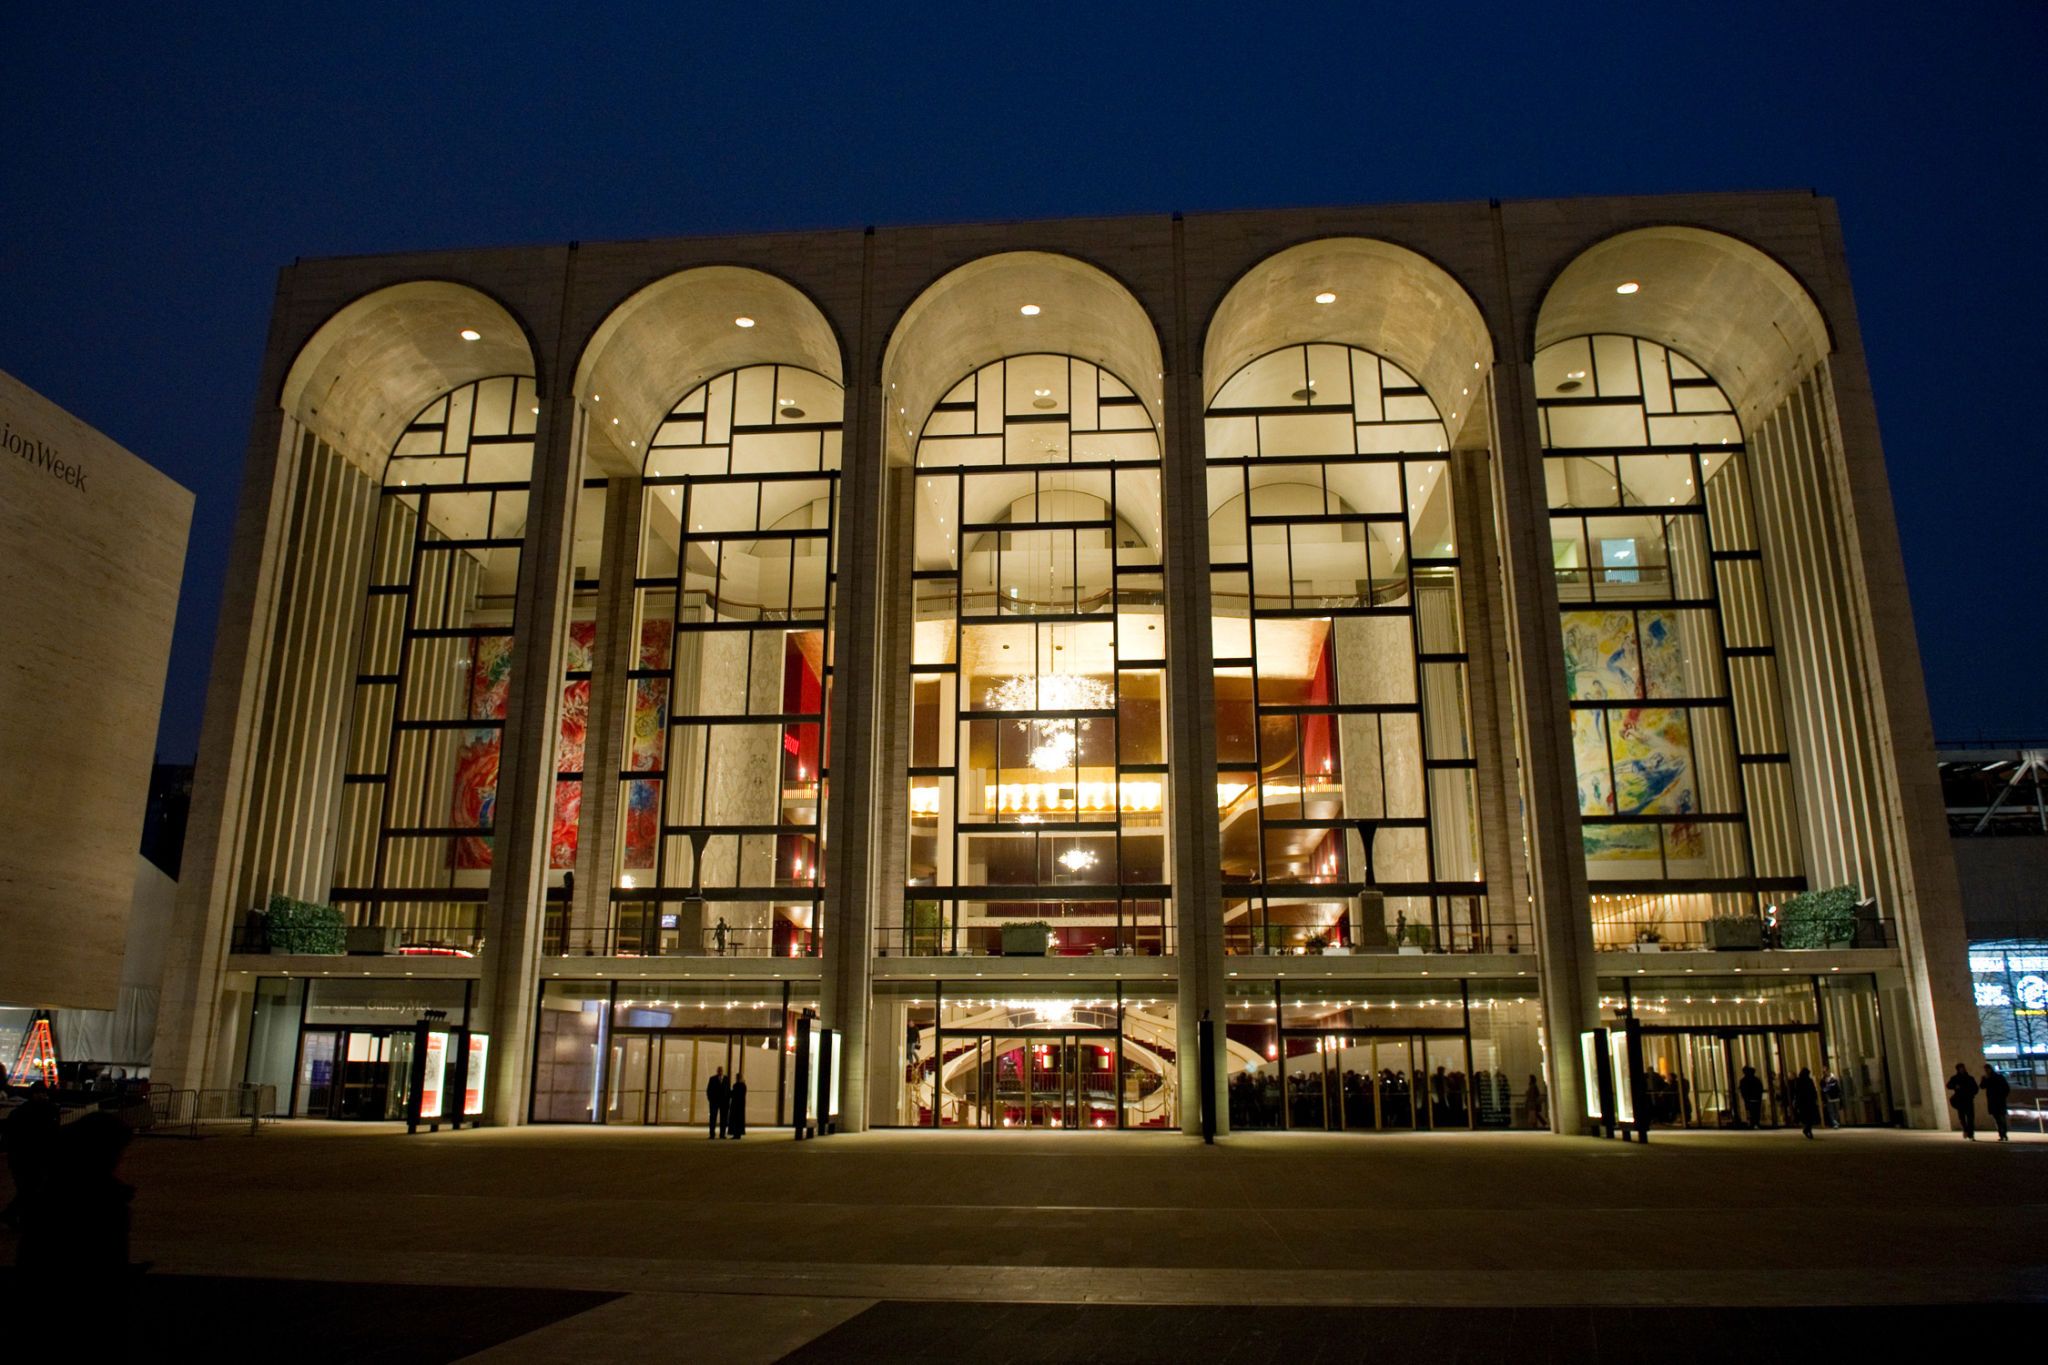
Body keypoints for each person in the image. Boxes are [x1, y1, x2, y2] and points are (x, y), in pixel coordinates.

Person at [2, 1082, 60, 1231]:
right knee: (29, 1189)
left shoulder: (21, 1112)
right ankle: (13, 1216)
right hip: (30, 1157)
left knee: (27, 1189)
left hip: (24, 1157)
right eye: (40, 1093)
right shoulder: (49, 1111)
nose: (43, 1096)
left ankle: (13, 1216)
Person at [1946, 1062, 1979, 1140]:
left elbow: (1975, 1088)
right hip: (1960, 1100)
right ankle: (1966, 1130)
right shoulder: (1955, 1078)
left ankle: (1970, 1133)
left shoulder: (1970, 1078)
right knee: (1962, 1117)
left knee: (1970, 1117)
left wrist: (1971, 1093)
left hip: (1968, 1099)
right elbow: (1948, 1085)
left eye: (1963, 1068)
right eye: (1960, 1068)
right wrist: (1955, 1086)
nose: (1962, 1070)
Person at [1981, 1064, 2011, 1142]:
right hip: (1997, 1100)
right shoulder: (1994, 1077)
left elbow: (2006, 1088)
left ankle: (2003, 1134)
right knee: (1999, 1117)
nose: (1986, 1071)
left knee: (1999, 1118)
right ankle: (2003, 1134)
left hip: (1996, 1100)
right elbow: (1982, 1086)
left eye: (1987, 1069)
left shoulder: (1997, 1077)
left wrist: (2003, 1095)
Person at [1791, 1067, 1821, 1139]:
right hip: (1808, 1101)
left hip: (1803, 1101)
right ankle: (1808, 1129)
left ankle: (1807, 1129)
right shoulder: (1808, 1080)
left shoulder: (1798, 1081)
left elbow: (1796, 1091)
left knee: (1807, 1117)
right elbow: (1813, 1090)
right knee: (1810, 1117)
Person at [706, 1066, 728, 1140]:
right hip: (714, 1102)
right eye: (719, 1070)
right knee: (713, 1118)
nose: (720, 1072)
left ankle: (722, 1134)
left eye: (720, 1070)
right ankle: (712, 1134)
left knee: (723, 1119)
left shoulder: (726, 1079)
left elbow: (727, 1091)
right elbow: (708, 1090)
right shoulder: (712, 1079)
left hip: (723, 1102)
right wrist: (710, 1100)